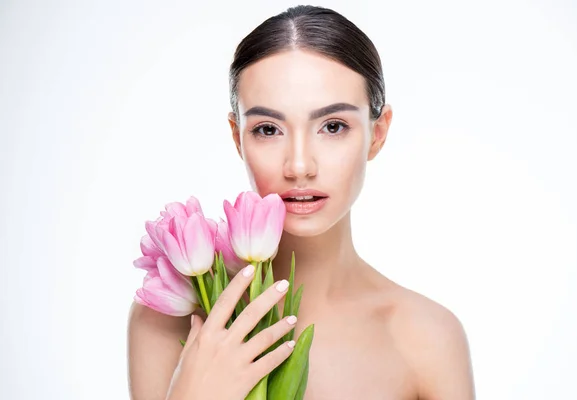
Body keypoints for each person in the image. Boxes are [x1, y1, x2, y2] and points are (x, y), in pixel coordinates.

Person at [128, 5, 476, 399]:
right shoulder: (170, 319)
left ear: (377, 134)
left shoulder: (428, 338)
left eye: (332, 126)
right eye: (268, 129)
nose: (298, 166)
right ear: (237, 137)